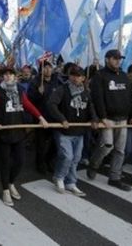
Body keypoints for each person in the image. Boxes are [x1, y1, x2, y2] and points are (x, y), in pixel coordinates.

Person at [0, 67, 45, 206]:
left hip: (18, 131)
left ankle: (11, 182)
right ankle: (5, 190)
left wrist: (40, 117)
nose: (8, 77)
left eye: (10, 74)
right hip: (3, 132)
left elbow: (27, 105)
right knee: (5, 163)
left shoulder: (19, 90)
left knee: (20, 160)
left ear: (15, 76)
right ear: (2, 77)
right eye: (5, 75)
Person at [87, 50, 132, 191]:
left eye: (119, 59)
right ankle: (94, 164)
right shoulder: (100, 75)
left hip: (123, 119)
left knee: (120, 150)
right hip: (108, 118)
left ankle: (115, 178)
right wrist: (102, 117)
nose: (118, 61)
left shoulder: (124, 76)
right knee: (107, 146)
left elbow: (130, 98)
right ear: (107, 59)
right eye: (115, 58)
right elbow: (98, 98)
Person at [47, 64, 96, 197]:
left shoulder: (86, 91)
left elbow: (90, 107)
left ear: (83, 78)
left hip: (79, 131)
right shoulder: (62, 90)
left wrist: (94, 119)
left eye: (78, 76)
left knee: (76, 158)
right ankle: (59, 177)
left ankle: (71, 182)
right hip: (64, 131)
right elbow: (51, 105)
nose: (76, 78)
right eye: (73, 75)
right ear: (69, 76)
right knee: (67, 156)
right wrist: (62, 119)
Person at [28, 60, 61, 175]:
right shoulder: (35, 82)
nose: (48, 70)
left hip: (54, 118)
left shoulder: (56, 82)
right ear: (41, 70)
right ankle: (40, 164)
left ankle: (49, 161)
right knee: (41, 144)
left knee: (56, 143)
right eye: (45, 68)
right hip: (40, 117)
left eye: (49, 67)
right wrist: (38, 93)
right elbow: (29, 101)